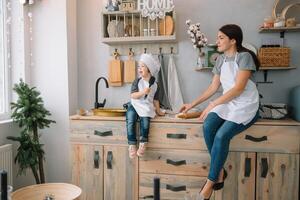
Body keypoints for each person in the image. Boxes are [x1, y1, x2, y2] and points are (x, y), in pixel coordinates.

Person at [180, 24, 260, 200]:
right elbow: (213, 87)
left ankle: (210, 183)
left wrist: (211, 105)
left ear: (233, 40)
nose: (217, 41)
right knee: (208, 125)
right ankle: (220, 171)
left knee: (222, 136)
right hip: (228, 101)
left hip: (245, 103)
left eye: (221, 37)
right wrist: (192, 104)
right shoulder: (220, 59)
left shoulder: (245, 57)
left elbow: (238, 89)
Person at [126, 53, 165, 159]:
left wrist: (158, 111)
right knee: (130, 118)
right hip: (135, 104)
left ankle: (143, 142)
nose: (139, 68)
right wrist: (143, 92)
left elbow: (155, 100)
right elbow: (133, 96)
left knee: (146, 120)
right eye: (139, 66)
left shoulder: (155, 85)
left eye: (142, 66)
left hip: (146, 106)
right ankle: (132, 143)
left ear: (149, 69)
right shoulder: (137, 81)